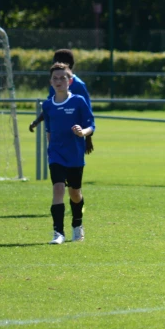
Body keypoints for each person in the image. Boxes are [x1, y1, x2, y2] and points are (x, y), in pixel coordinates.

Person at [43, 62, 95, 244]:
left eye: (62, 78)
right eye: (55, 78)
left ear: (70, 81)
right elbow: (49, 130)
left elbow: (91, 125)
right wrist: (51, 151)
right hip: (56, 155)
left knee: (74, 193)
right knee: (58, 189)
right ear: (50, 82)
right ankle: (58, 233)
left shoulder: (78, 102)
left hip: (74, 156)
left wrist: (82, 132)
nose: (59, 81)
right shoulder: (48, 106)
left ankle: (77, 225)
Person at [30, 49, 94, 155]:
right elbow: (50, 107)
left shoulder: (78, 85)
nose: (54, 64)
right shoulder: (55, 84)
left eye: (56, 61)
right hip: (57, 137)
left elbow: (87, 114)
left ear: (66, 64)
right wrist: (37, 121)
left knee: (72, 168)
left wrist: (88, 138)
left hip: (74, 138)